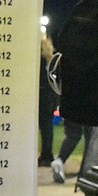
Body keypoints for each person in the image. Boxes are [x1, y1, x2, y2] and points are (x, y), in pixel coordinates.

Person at [38, 32, 57, 166]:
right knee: (47, 126)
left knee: (43, 125)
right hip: (50, 94)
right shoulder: (50, 57)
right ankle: (47, 153)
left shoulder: (40, 58)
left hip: (42, 93)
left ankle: (45, 154)